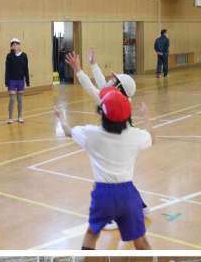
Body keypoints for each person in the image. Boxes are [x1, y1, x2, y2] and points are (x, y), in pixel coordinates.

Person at [55, 84, 153, 249]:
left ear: (102, 114)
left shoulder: (90, 134)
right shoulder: (134, 136)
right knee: (141, 241)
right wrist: (146, 117)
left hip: (103, 195)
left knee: (91, 235)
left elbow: (67, 131)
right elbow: (151, 137)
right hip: (128, 194)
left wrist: (61, 118)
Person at [66, 49, 149, 229]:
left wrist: (78, 70)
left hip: (118, 142)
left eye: (114, 79)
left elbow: (93, 89)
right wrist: (93, 64)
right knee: (121, 179)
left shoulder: (113, 100)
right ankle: (139, 206)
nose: (110, 79)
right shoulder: (118, 99)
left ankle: (112, 217)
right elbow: (104, 86)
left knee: (110, 180)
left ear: (119, 87)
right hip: (123, 141)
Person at [5, 38, 30, 123]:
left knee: (20, 100)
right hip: (12, 81)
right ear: (11, 46)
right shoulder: (9, 56)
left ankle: (20, 117)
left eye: (16, 44)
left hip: (20, 80)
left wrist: (27, 80)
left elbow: (26, 68)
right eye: (13, 45)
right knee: (12, 100)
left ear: (19, 45)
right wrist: (6, 81)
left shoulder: (24, 55)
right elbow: (7, 69)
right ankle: (10, 118)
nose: (15, 46)